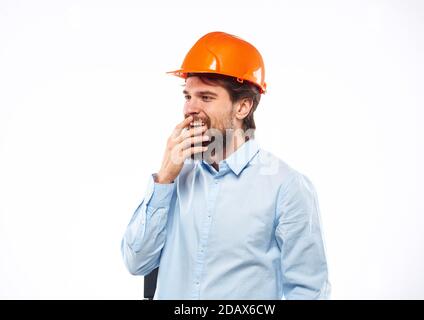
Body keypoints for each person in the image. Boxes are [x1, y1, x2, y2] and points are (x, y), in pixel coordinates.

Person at [121, 31, 330, 299]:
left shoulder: (286, 187)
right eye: (187, 96)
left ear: (242, 107)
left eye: (206, 98)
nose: (189, 109)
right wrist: (164, 179)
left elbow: (309, 291)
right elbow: (136, 262)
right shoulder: (173, 178)